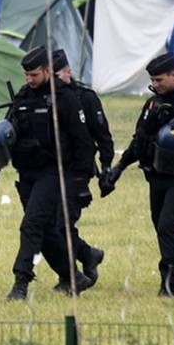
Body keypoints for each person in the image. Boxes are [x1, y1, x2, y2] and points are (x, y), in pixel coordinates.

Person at [101, 52, 174, 296]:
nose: (155, 85)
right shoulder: (153, 104)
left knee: (169, 226)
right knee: (165, 226)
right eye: (152, 80)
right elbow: (139, 140)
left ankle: (169, 283)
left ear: (173, 75)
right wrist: (119, 169)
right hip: (156, 175)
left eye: (159, 80)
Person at [0, 46, 95, 301]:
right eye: (26, 75)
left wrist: (81, 183)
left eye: (34, 75)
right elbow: (5, 137)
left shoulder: (65, 98)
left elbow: (83, 143)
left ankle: (20, 283)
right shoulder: (23, 96)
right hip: (27, 173)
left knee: (31, 226)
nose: (29, 80)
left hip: (54, 172)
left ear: (47, 70)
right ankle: (75, 277)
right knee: (44, 232)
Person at [52, 48, 111, 286]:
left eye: (58, 74)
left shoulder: (84, 98)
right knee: (53, 224)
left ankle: (69, 276)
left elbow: (102, 136)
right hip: (51, 171)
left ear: (68, 72)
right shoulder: (46, 97)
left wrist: (106, 169)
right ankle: (87, 254)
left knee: (61, 223)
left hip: (77, 170)